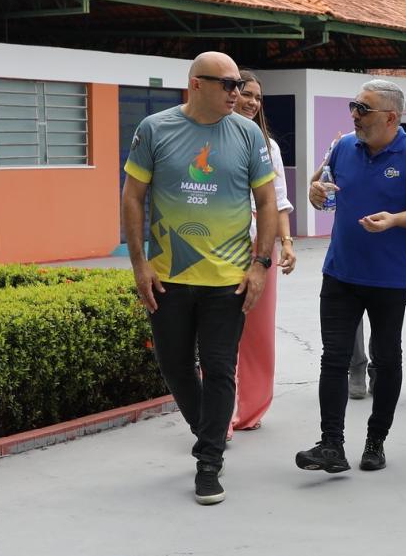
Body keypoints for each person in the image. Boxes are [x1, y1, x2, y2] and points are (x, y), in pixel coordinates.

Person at [122, 51, 277, 505]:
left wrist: (260, 265)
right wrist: (139, 264)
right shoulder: (155, 129)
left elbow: (266, 204)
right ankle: (206, 430)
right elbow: (133, 197)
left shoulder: (248, 135)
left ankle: (209, 462)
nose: (237, 92)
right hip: (168, 275)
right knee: (173, 365)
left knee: (220, 366)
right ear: (196, 84)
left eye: (238, 84)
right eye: (227, 84)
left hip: (227, 279)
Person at [295, 80, 406, 475]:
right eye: (353, 106)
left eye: (363, 109)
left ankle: (376, 441)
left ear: (391, 117)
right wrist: (314, 192)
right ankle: (331, 444)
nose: (354, 115)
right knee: (334, 358)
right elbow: (318, 185)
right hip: (340, 271)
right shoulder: (343, 146)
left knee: (386, 358)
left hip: (389, 277)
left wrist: (395, 219)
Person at [229, 70, 296, 435]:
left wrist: (285, 243)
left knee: (257, 332)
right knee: (220, 329)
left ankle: (251, 409)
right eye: (245, 94)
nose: (252, 102)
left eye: (257, 97)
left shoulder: (269, 147)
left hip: (260, 246)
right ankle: (220, 410)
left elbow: (279, 202)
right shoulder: (210, 141)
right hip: (220, 246)